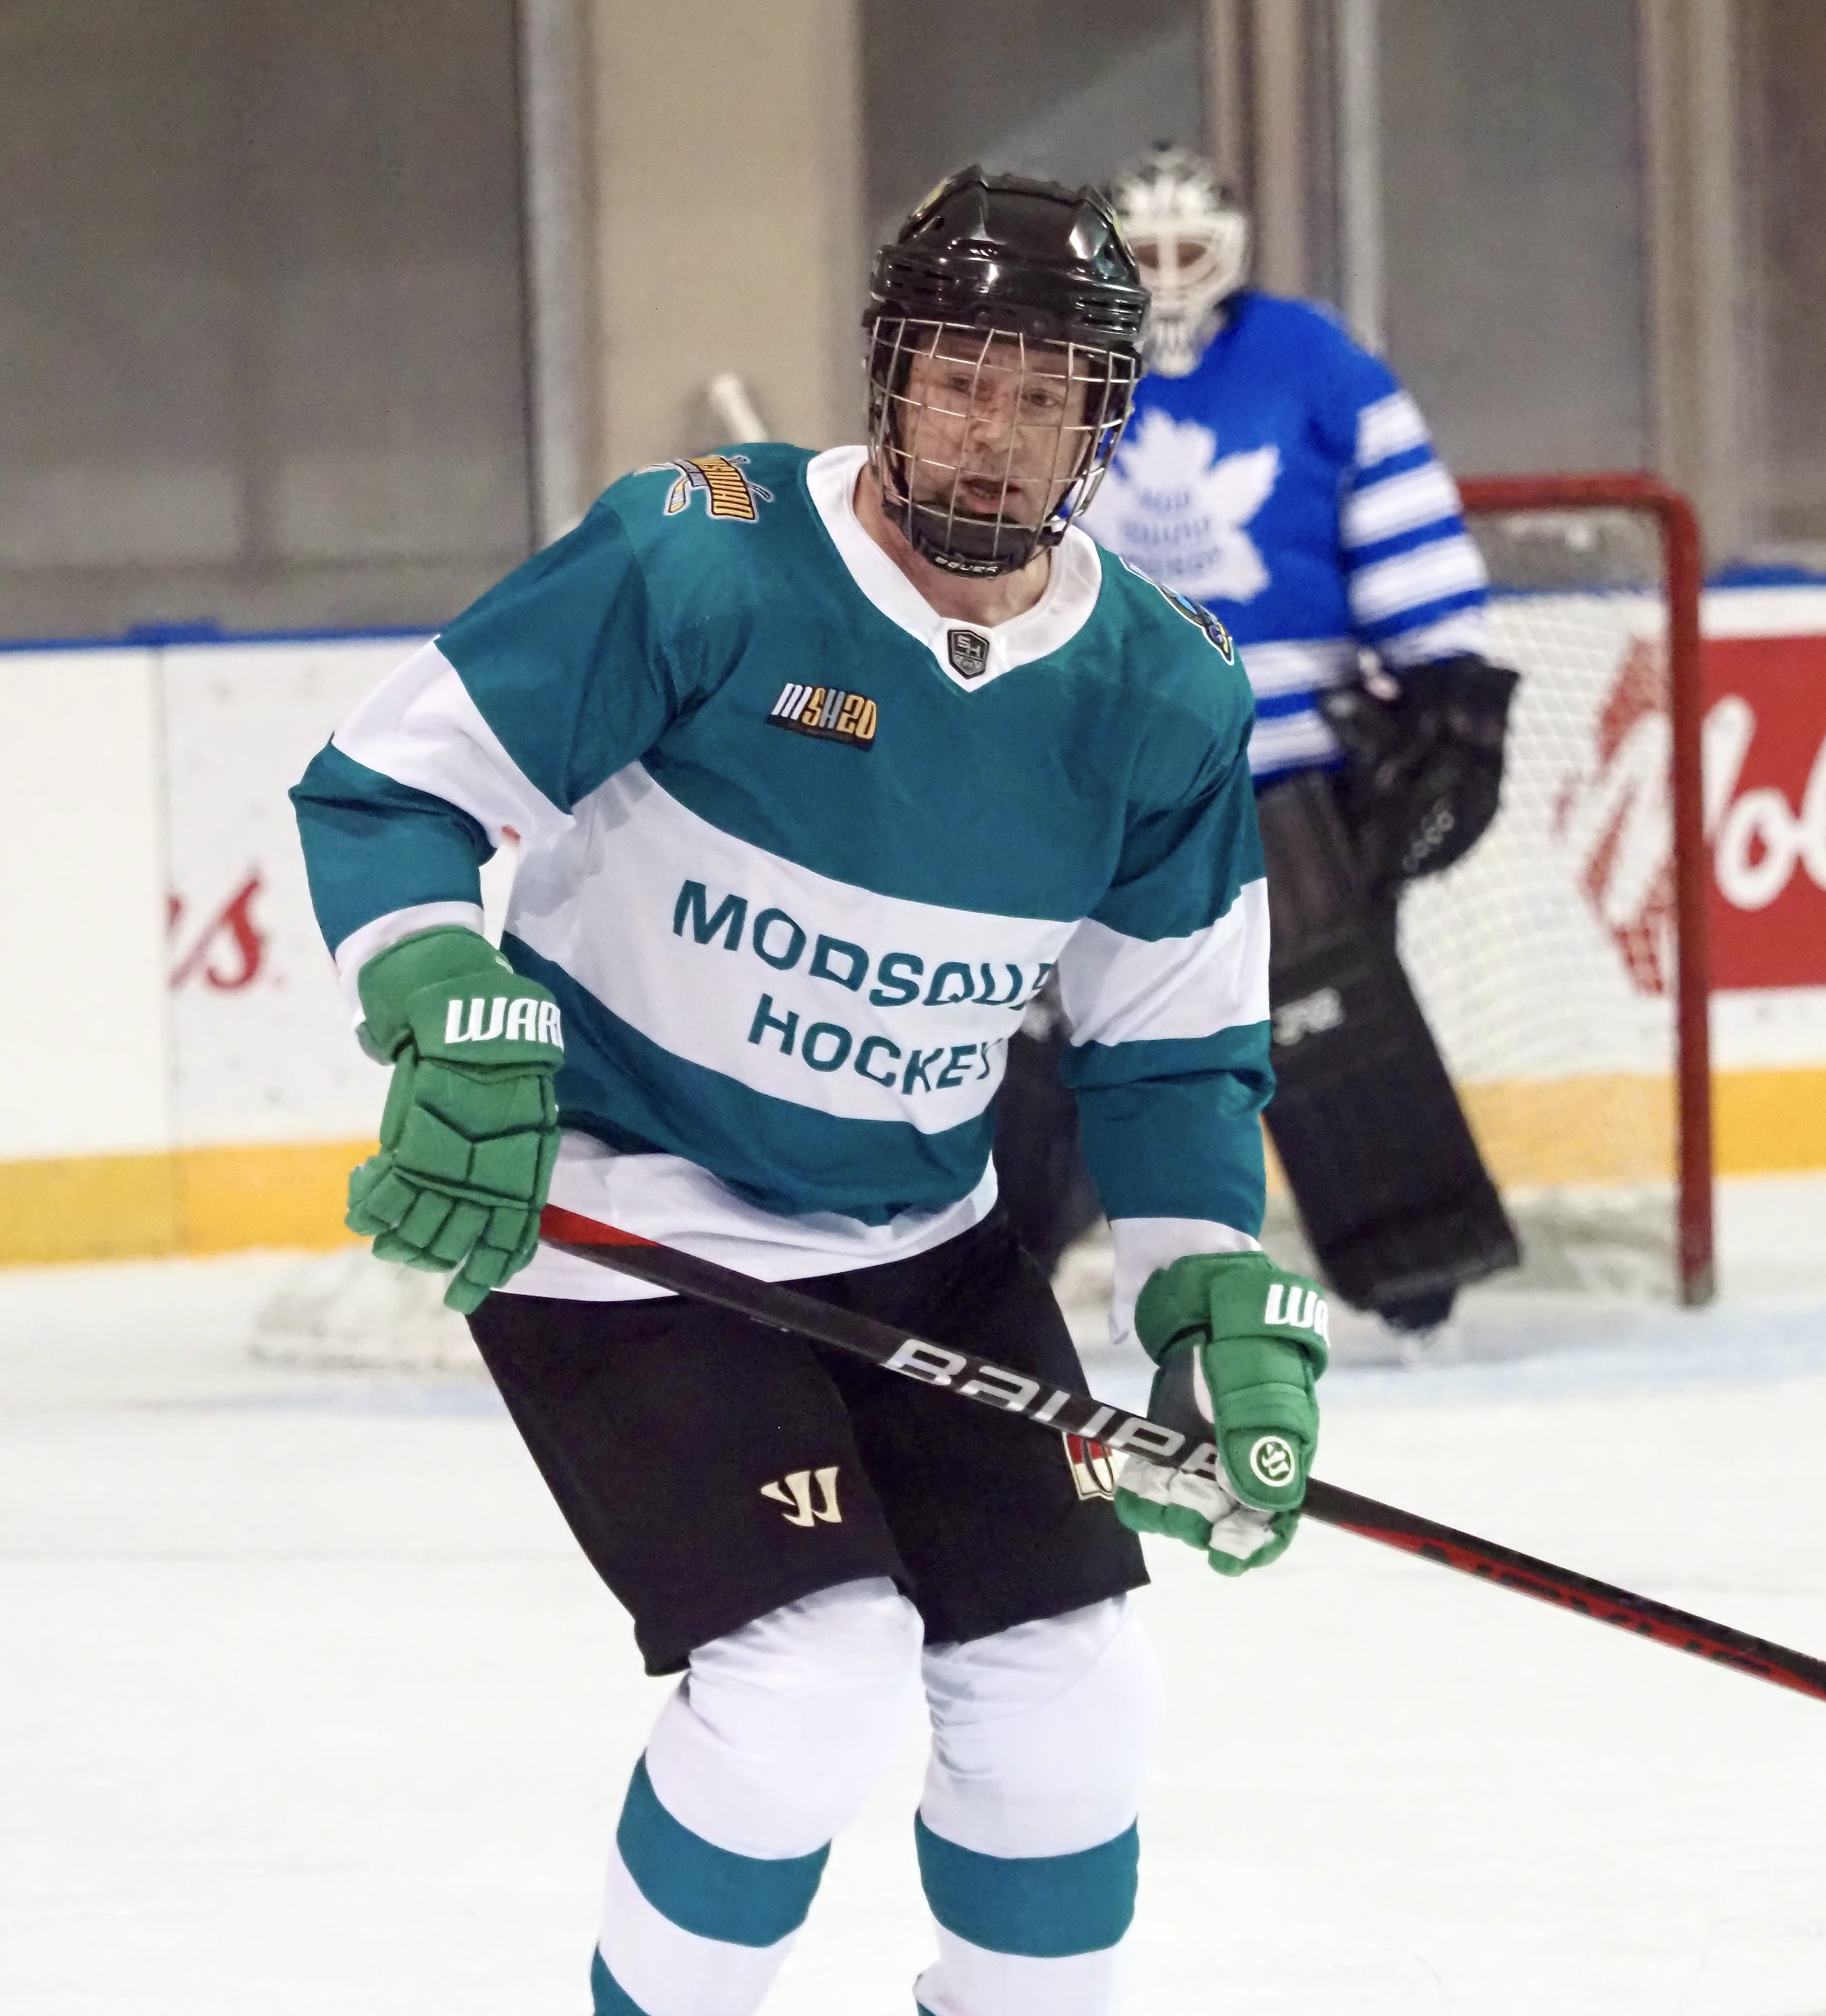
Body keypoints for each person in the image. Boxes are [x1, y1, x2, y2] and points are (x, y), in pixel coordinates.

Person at [289, 168, 1329, 2016]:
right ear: (891, 373)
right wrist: (445, 1001)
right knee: (807, 1684)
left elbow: (1169, 1044)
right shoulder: (699, 561)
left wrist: (1202, 1299)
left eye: (1041, 394)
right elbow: (393, 790)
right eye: (958, 378)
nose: (991, 429)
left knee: (1073, 1697)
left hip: (927, 1239)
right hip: (630, 1224)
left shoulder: (1161, 697)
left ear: (1102, 419)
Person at [996, 144, 1520, 1332]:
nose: (1168, 277)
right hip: (1102, 781)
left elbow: (1398, 523)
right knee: (1056, 1040)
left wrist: (1448, 687)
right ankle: (991, 1280)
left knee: (1327, 1022)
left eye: (1190, 250)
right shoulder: (1051, 364)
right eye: (1144, 253)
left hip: (1296, 784)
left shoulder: (1313, 360)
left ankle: (1411, 1270)